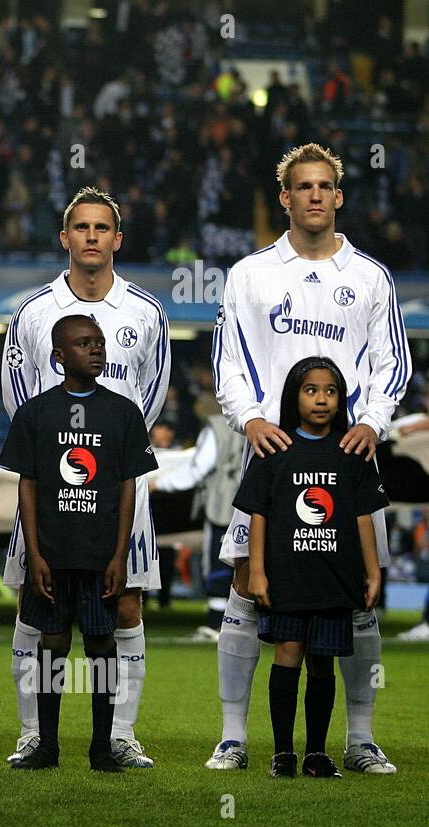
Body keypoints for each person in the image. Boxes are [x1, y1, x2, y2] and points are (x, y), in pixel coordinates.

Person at [208, 143, 410, 774]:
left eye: (326, 186)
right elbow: (229, 366)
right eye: (304, 186)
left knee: (358, 601)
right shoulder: (249, 275)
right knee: (247, 595)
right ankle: (234, 738)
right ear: (285, 198)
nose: (316, 195)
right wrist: (252, 419)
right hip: (272, 459)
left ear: (339, 197)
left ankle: (360, 739)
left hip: (348, 463)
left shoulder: (371, 277)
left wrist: (373, 423)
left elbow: (392, 363)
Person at [0, 186, 170, 768]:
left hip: (118, 489)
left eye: (103, 228)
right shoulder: (31, 312)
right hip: (46, 492)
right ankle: (34, 735)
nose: (92, 237)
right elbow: (22, 402)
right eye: (82, 228)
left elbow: (148, 402)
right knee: (33, 604)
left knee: (124, 607)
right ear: (65, 238)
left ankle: (118, 735)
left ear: (117, 240)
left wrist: (109, 456)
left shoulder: (147, 312)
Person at [233, 357, 385, 778]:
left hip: (335, 577)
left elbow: (362, 517)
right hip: (287, 576)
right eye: (311, 390)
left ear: (341, 400)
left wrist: (372, 571)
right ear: (294, 396)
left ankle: (317, 753)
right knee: (287, 655)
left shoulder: (352, 453)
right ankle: (283, 753)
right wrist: (258, 570)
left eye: (331, 391)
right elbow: (258, 515)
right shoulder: (274, 450)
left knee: (322, 661)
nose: (321, 399)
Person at [149, 393, 245, 640]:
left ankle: (217, 625)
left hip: (225, 504)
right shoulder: (262, 422)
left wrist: (161, 484)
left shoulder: (216, 427)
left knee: (220, 564)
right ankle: (247, 624)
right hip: (255, 505)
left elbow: (197, 469)